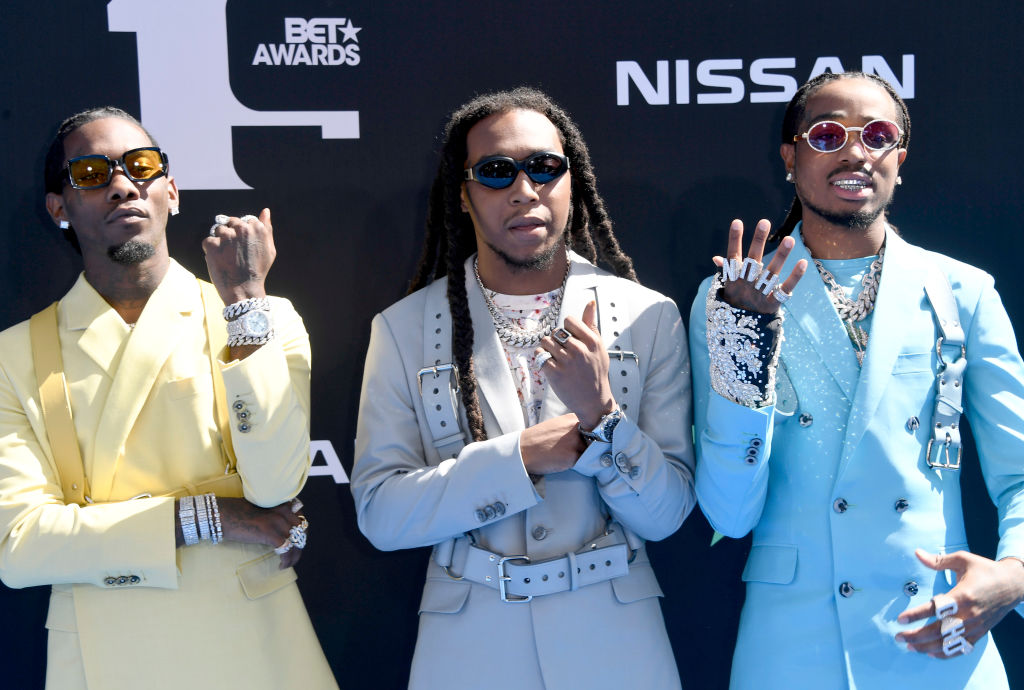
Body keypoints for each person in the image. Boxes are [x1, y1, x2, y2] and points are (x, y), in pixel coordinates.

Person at [351, 87, 695, 689]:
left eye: (544, 166)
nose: (524, 189)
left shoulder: (649, 316)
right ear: (463, 194)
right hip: (469, 651)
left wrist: (604, 419)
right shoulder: (404, 328)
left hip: (616, 646)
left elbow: (665, 515)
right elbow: (382, 514)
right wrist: (520, 459)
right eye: (495, 171)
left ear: (572, 181)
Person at [689, 72, 1024, 689]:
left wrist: (1014, 575)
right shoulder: (732, 295)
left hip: (939, 634)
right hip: (794, 651)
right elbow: (729, 513)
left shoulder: (963, 291)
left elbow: (1021, 473)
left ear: (899, 158)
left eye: (876, 135)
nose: (854, 152)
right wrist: (745, 351)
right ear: (790, 157)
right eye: (827, 135)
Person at [0, 107, 337, 689]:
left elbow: (276, 485)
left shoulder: (260, 317)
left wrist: (245, 301)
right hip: (103, 654)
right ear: (59, 208)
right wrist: (209, 517)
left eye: (141, 165)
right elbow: (20, 547)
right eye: (91, 173)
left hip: (253, 645)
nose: (123, 185)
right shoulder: (15, 354)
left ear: (171, 191)